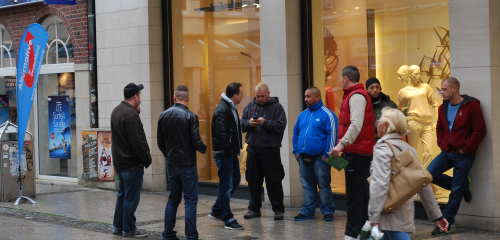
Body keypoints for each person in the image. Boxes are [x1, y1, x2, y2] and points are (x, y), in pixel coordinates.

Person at [369, 107, 449, 240]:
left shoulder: (382, 148)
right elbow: (422, 183)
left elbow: (379, 184)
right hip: (404, 211)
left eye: (379, 120)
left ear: (386, 126)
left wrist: (374, 216)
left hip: (388, 211)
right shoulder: (408, 149)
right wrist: (437, 216)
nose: (377, 123)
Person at [427, 77, 487, 235]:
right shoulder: (443, 107)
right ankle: (461, 186)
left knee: (455, 191)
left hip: (463, 155)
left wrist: (466, 149)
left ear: (454, 89)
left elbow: (480, 130)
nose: (442, 92)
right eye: (441, 89)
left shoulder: (471, 106)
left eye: (444, 89)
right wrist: (441, 143)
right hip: (446, 152)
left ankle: (445, 224)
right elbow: (439, 127)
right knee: (428, 174)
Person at [330, 66, 375, 240]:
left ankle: (351, 234)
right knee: (361, 195)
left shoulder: (356, 96)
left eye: (341, 77)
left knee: (354, 196)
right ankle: (361, 230)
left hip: (357, 152)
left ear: (346, 78)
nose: (340, 80)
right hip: (358, 151)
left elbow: (355, 125)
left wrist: (341, 145)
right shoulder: (355, 95)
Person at [157, 85, 207, 240]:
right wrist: (204, 148)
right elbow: (195, 140)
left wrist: (169, 155)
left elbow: (160, 141)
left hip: (172, 163)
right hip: (187, 164)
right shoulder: (191, 116)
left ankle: (168, 233)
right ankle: (191, 236)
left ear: (174, 98)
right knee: (190, 201)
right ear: (188, 99)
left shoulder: (163, 115)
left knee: (173, 198)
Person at [241, 83, 287, 221]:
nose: (259, 99)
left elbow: (280, 127)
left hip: (270, 151)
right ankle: (254, 209)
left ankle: (278, 210)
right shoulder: (249, 107)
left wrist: (265, 123)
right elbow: (241, 125)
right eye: (257, 96)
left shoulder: (277, 107)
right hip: (253, 150)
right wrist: (249, 123)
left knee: (274, 181)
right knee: (253, 181)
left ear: (268, 93)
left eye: (262, 96)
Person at [111, 83, 152, 238]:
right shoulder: (130, 115)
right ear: (135, 97)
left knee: (122, 195)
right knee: (131, 198)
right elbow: (137, 141)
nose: (140, 99)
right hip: (131, 164)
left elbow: (124, 135)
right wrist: (146, 159)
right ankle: (129, 229)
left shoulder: (117, 111)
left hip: (120, 163)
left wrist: (136, 115)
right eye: (140, 96)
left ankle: (118, 226)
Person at [292, 87, 337, 222]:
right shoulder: (302, 115)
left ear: (317, 97)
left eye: (308, 96)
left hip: (320, 158)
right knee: (307, 185)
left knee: (323, 185)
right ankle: (308, 211)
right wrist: (296, 152)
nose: (305, 99)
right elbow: (296, 133)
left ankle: (327, 211)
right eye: (305, 96)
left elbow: (333, 134)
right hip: (303, 157)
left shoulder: (328, 114)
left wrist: (326, 155)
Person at [208, 82, 245, 230]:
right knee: (226, 185)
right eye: (241, 93)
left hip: (230, 152)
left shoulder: (230, 107)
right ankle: (228, 218)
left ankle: (217, 209)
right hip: (225, 153)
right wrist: (229, 149)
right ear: (235, 95)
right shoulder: (223, 109)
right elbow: (222, 132)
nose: (243, 96)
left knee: (235, 179)